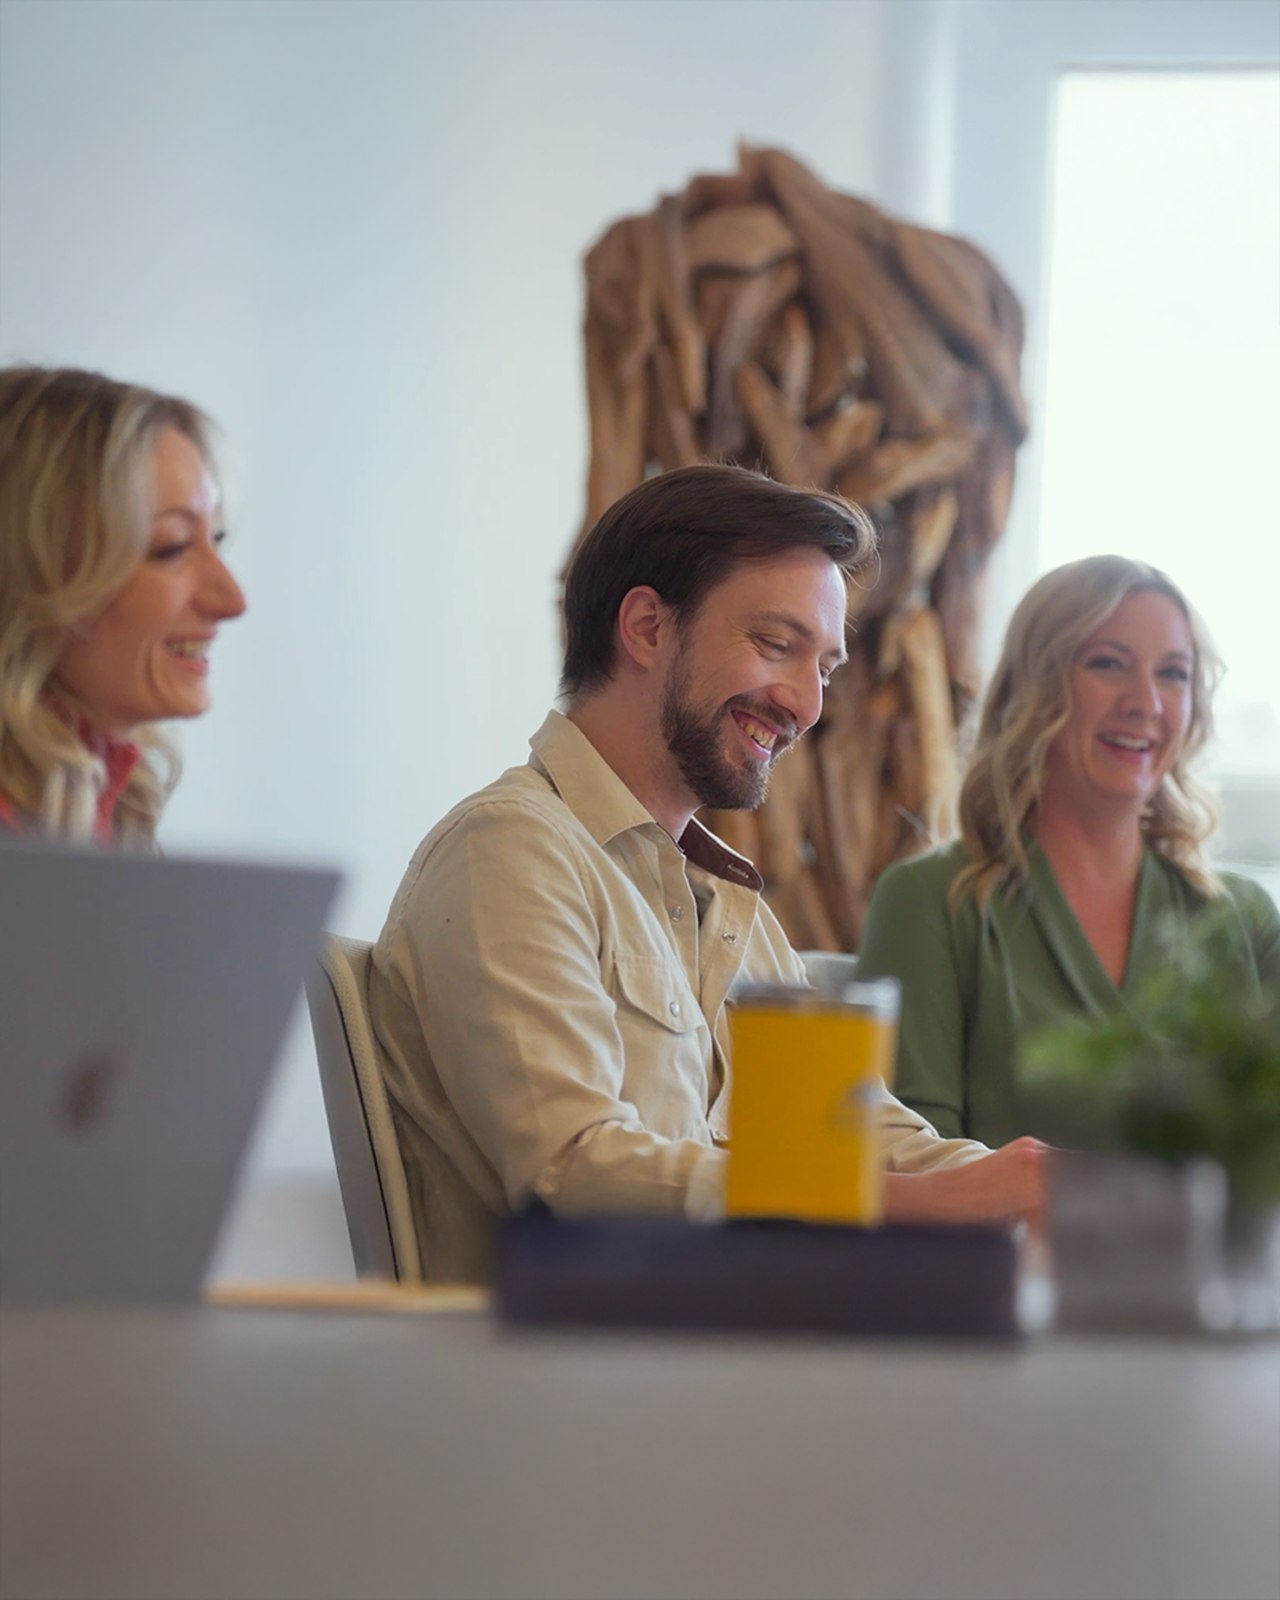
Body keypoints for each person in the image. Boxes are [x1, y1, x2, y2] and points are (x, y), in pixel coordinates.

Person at [370, 464, 1047, 1284]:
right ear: (648, 628)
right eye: (775, 645)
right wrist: (940, 1203)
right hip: (564, 1389)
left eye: (824, 668)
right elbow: (574, 1172)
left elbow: (860, 1135)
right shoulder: (509, 850)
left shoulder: (730, 906)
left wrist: (1036, 1180)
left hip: (714, 1367)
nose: (805, 702)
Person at [858, 554, 1280, 1147]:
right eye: (1109, 664)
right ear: (1034, 686)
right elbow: (908, 1165)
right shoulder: (928, 902)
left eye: (1174, 674)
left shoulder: (1245, 920)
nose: (1147, 703)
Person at [0, 366, 246, 845]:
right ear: (26, 576)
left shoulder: (101, 799)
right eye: (171, 546)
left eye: (215, 539)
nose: (231, 600)